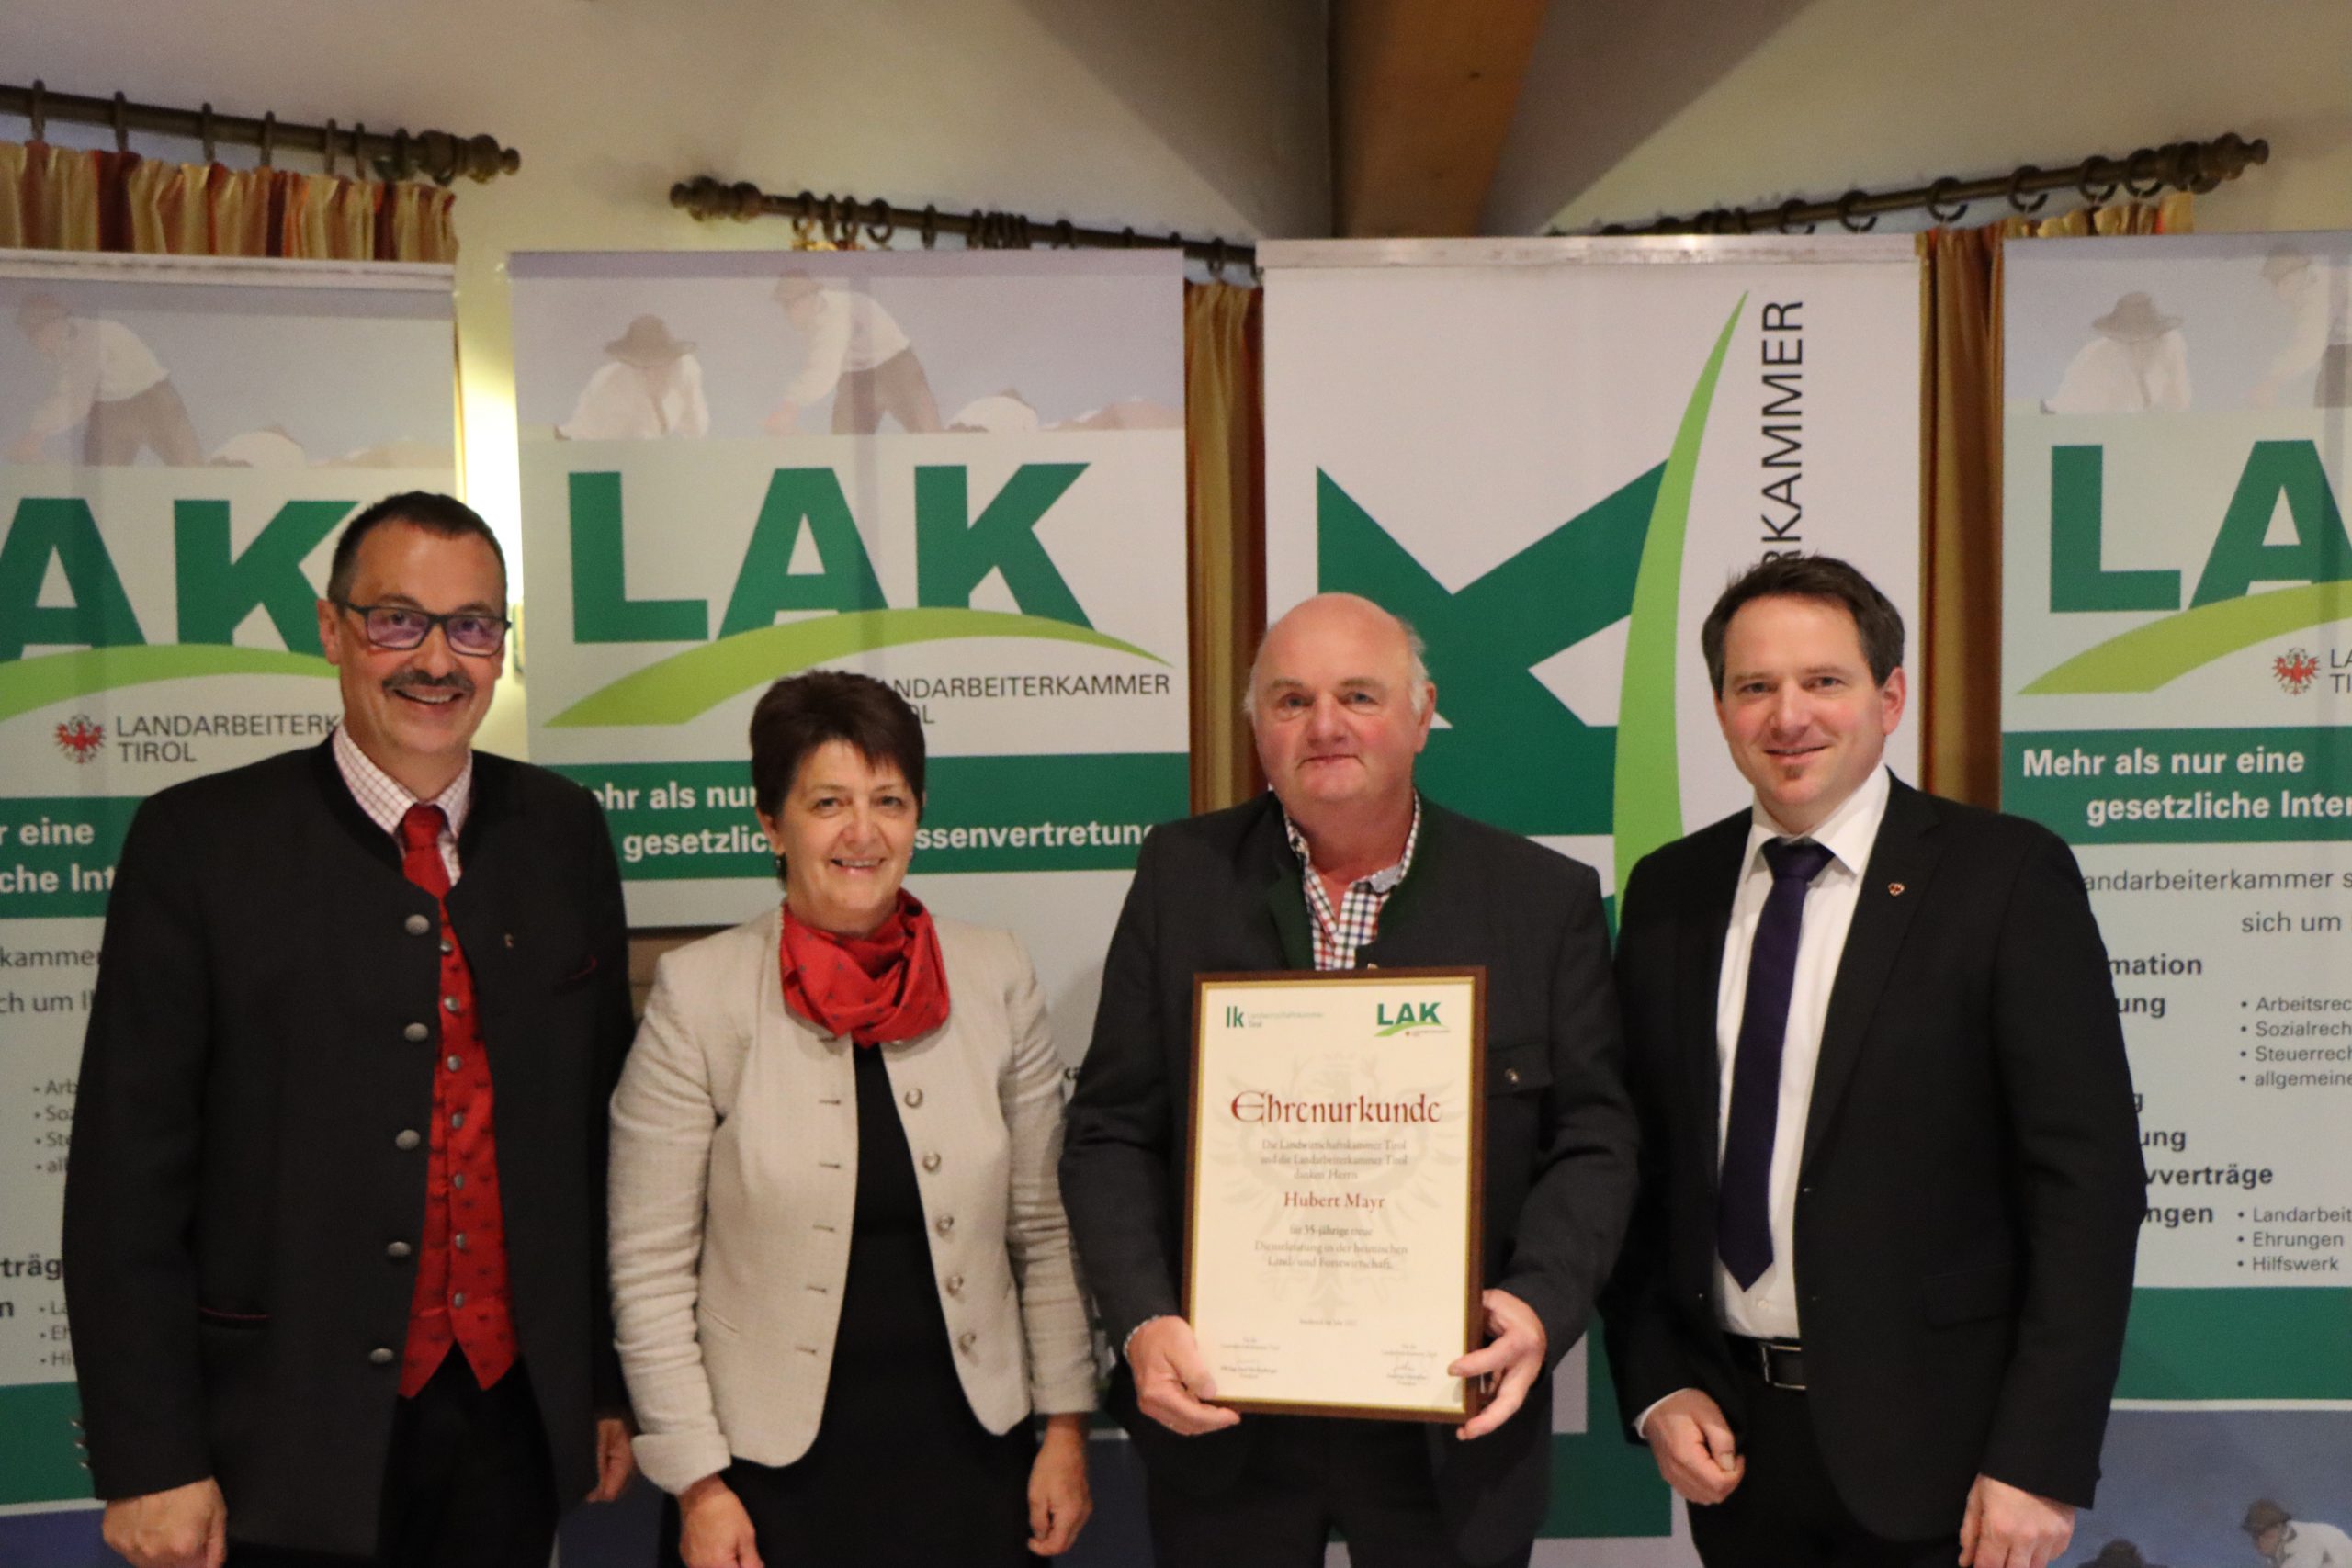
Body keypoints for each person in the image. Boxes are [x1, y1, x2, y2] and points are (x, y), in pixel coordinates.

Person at [63, 491, 638, 1566]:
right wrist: (150, 1458)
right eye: (397, 621)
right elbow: (123, 1185)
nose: (438, 660)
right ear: (331, 630)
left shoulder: (563, 833)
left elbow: (599, 1144)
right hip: (277, 1438)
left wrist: (603, 1384)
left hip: (512, 1424)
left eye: (473, 626)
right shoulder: (199, 844)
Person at [1060, 592, 1638, 1568]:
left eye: (1358, 696)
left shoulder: (1541, 901)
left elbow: (1596, 1140)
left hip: (1449, 1427)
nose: (1324, 726)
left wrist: (1539, 1302)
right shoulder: (1180, 875)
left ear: (1421, 714)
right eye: (1291, 701)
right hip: (1223, 1418)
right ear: (1257, 727)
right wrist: (1142, 1318)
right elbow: (1111, 1128)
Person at [1605, 555, 2145, 1568]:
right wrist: (1657, 1381)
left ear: (1890, 698)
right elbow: (1637, 1163)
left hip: (1949, 1464)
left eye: (1824, 681)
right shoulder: (1669, 891)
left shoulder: (2004, 877)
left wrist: (2039, 1456)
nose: (1788, 716)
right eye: (1754, 686)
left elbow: (2089, 1183)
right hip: (1736, 1454)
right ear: (1719, 710)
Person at [608, 671, 1094, 1567]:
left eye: (889, 800)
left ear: (918, 816)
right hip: (764, 1477)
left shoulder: (995, 974)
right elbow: (650, 1267)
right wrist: (698, 1485)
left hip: (972, 1456)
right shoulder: (699, 993)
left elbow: (1042, 1228)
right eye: (828, 802)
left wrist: (1065, 1427)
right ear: (772, 822)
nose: (862, 832)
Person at [8, 292, 205, 465]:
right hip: (110, 411)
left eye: (34, 332)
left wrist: (35, 436)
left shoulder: (89, 337)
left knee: (192, 473)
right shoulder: (64, 347)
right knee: (96, 479)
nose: (33, 341)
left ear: (53, 325)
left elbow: (76, 399)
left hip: (154, 402)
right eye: (29, 333)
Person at [764, 270, 943, 434]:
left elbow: (823, 371)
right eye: (785, 305)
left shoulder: (834, 315)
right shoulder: (814, 317)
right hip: (856, 377)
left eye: (792, 304)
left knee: (931, 439)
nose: (788, 312)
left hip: (897, 367)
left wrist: (790, 407)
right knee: (844, 446)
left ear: (809, 297)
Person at [558, 314, 711, 440]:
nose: (651, 373)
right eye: (643, 366)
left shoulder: (687, 371)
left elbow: (697, 430)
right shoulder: (609, 385)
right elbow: (584, 434)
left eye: (659, 363)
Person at [2043, 292, 2191, 414]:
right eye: (2129, 341)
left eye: (2145, 339)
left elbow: (2180, 403)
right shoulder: (2094, 360)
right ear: (2116, 336)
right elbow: (2076, 412)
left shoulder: (2171, 345)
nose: (2138, 348)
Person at [2249, 250, 2351, 409]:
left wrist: (2273, 381)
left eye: (2277, 285)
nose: (2279, 296)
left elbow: (2310, 345)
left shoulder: (2316, 290)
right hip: (2341, 355)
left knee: (2331, 397)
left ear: (2287, 279)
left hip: (2344, 357)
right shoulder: (2328, 279)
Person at [2245, 1499, 2352, 1568]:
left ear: (2280, 1528)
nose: (2260, 1541)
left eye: (2266, 1534)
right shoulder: (2277, 1553)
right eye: (2255, 1535)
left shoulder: (2302, 1544)